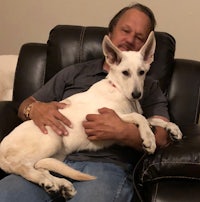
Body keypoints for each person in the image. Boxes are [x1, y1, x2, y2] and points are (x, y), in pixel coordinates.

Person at [0, 3, 171, 202]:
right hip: (51, 158)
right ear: (110, 33)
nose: (131, 39)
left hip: (107, 168)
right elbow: (24, 105)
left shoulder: (146, 87)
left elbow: (162, 139)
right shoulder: (74, 72)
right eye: (125, 30)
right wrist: (35, 108)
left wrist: (124, 132)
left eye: (140, 37)